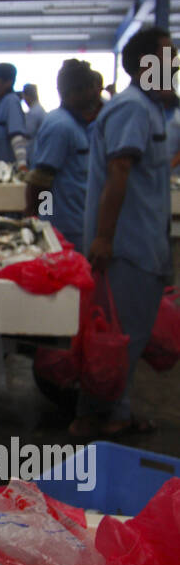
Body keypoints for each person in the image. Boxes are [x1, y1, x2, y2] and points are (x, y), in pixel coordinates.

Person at [71, 26, 175, 440]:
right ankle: (92, 421)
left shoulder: (146, 109)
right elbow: (120, 170)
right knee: (113, 340)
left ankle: (117, 412)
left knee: (126, 338)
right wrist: (104, 238)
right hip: (126, 250)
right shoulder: (133, 108)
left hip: (140, 246)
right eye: (168, 57)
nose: (175, 65)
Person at [25, 60, 95, 251]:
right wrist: (42, 218)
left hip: (76, 223)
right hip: (64, 229)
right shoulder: (61, 126)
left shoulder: (78, 124)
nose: (96, 93)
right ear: (74, 92)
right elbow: (41, 180)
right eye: (91, 88)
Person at [22, 82, 46, 154]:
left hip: (33, 151)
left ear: (28, 96)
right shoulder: (40, 110)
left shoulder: (33, 113)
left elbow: (28, 133)